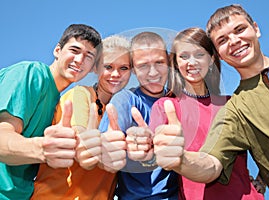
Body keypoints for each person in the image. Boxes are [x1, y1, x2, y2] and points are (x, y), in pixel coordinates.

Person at [152, 4, 269, 200]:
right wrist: (181, 159)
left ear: (256, 28)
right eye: (222, 40)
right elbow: (211, 164)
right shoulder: (233, 109)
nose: (234, 41)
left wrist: (260, 181)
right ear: (219, 53)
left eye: (239, 30)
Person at [148, 27, 264, 199]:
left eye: (199, 54)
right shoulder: (166, 106)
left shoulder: (232, 103)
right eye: (184, 56)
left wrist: (263, 179)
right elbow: (152, 152)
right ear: (176, 64)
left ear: (211, 60)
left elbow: (266, 144)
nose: (191, 62)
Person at [0, 24, 102, 199]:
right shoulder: (30, 73)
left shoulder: (59, 103)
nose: (79, 60)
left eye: (88, 56)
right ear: (57, 50)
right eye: (74, 50)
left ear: (93, 67)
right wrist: (43, 149)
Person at [31, 35, 132, 199]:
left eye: (124, 68)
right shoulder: (81, 95)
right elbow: (81, 140)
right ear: (95, 68)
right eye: (108, 66)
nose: (116, 74)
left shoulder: (124, 110)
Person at [98, 31, 179, 199]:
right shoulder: (126, 100)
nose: (152, 72)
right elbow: (106, 146)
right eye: (143, 65)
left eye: (159, 63)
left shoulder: (178, 102)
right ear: (133, 69)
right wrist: (111, 147)